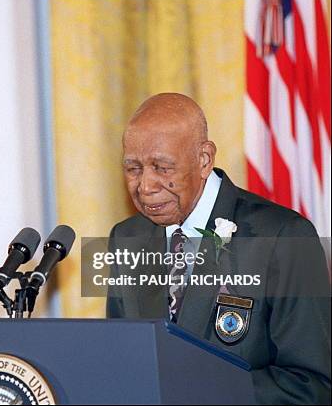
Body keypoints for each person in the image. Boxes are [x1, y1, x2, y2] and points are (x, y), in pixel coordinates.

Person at [106, 93, 331, 404]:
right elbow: (121, 362)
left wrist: (199, 391)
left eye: (162, 167)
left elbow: (312, 385)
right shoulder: (125, 238)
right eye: (133, 169)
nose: (145, 186)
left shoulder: (285, 237)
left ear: (204, 160)